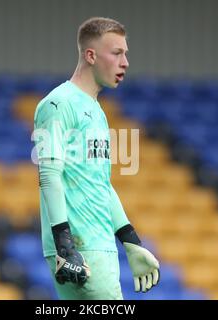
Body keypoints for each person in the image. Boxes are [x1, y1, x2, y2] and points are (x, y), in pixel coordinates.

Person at [33, 17, 160, 300]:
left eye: (126, 53)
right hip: (80, 248)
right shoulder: (58, 104)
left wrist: (130, 241)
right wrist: (65, 245)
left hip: (99, 245)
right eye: (117, 53)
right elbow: (49, 175)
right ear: (91, 55)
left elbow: (100, 183)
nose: (125, 62)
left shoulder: (97, 111)